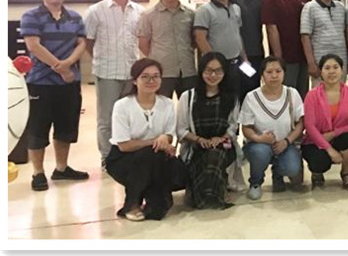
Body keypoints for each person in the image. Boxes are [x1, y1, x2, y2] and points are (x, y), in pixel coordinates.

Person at [21, 0, 89, 191]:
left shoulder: (75, 17)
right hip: (40, 82)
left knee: (66, 128)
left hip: (69, 82)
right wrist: (60, 67)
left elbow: (81, 44)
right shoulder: (31, 16)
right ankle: (38, 172)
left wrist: (67, 64)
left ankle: (61, 168)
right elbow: (33, 46)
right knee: (38, 129)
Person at [106, 58, 184, 221]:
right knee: (148, 156)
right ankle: (132, 204)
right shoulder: (122, 106)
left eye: (156, 76)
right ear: (135, 80)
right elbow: (124, 146)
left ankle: (154, 198)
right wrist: (155, 141)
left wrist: (165, 138)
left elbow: (170, 136)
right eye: (145, 77)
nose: (151, 81)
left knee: (179, 174)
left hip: (157, 156)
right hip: (124, 160)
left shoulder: (167, 104)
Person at [85, 0, 145, 166]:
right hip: (107, 72)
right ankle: (107, 158)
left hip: (132, 73)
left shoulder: (139, 11)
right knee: (107, 118)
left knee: (130, 116)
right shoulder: (95, 11)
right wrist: (101, 59)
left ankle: (127, 155)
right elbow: (88, 42)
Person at [176, 52, 240, 209]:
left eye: (218, 71)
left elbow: (233, 126)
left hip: (222, 146)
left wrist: (221, 138)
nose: (213, 75)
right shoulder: (188, 96)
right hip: (195, 147)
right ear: (201, 71)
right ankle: (206, 190)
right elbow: (181, 130)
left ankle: (215, 192)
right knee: (205, 157)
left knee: (215, 154)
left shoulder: (231, 97)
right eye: (208, 70)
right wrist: (199, 140)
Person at [239, 56, 305, 200]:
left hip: (285, 144)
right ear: (262, 75)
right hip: (259, 145)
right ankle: (255, 183)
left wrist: (287, 141)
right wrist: (259, 138)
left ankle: (278, 173)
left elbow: (300, 123)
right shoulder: (251, 97)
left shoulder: (292, 93)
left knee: (293, 169)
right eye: (269, 72)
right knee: (260, 153)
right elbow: (246, 128)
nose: (274, 75)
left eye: (278, 71)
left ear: (284, 73)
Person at [301, 54, 348, 191]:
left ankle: (346, 173)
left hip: (339, 136)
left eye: (336, 67)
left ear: (342, 71)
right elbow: (309, 126)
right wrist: (329, 149)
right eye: (327, 68)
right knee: (319, 162)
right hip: (315, 140)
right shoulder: (312, 95)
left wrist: (334, 133)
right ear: (321, 72)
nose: (332, 71)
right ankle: (317, 173)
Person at [137, 0, 197, 99]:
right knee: (161, 106)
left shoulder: (191, 14)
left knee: (189, 106)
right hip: (162, 72)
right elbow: (143, 44)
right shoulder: (148, 15)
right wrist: (159, 57)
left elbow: (194, 41)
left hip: (187, 70)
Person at [193, 0, 247, 102]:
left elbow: (237, 35)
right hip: (216, 67)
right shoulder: (204, 10)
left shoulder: (236, 8)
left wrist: (244, 58)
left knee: (234, 97)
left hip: (235, 63)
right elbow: (200, 38)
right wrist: (213, 63)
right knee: (216, 98)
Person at [262, 0, 312, 97]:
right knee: (288, 92)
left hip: (304, 53)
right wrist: (279, 58)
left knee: (303, 91)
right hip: (285, 55)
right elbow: (271, 28)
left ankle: (302, 112)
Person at [300, 0, 348, 88]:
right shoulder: (309, 7)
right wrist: (311, 63)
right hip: (320, 63)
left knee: (340, 93)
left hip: (341, 62)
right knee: (320, 95)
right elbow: (305, 37)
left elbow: (346, 34)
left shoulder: (341, 7)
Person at [231, 0, 267, 99]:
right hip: (237, 55)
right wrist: (242, 56)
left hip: (257, 53)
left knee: (253, 91)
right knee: (237, 92)